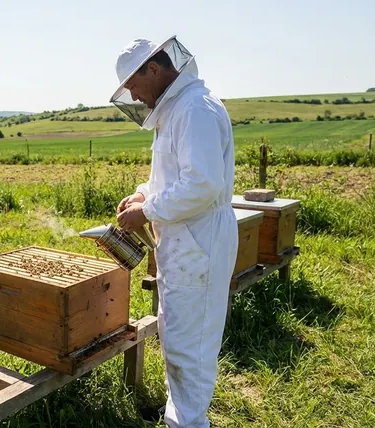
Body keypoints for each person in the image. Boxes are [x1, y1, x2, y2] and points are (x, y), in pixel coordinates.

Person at [112, 37, 238, 428]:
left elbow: (202, 184)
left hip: (198, 241)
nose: (134, 95)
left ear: (153, 69)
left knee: (190, 347)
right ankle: (179, 415)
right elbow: (174, 177)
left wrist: (147, 211)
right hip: (184, 243)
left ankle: (188, 421)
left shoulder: (194, 109)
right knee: (177, 336)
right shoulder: (178, 109)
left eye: (134, 85)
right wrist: (143, 194)